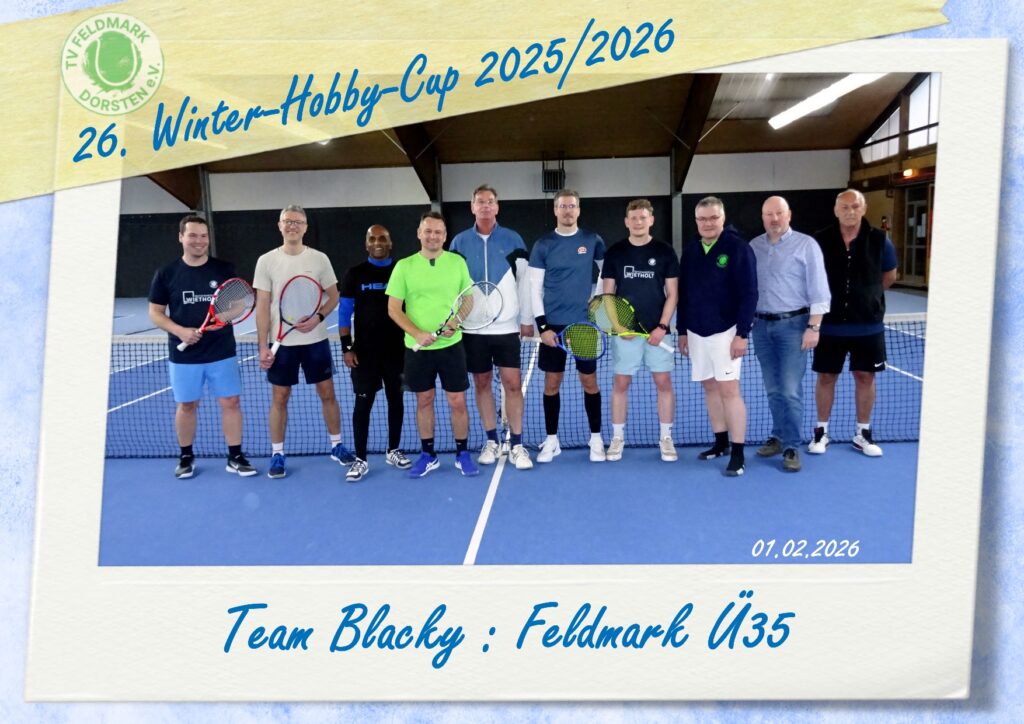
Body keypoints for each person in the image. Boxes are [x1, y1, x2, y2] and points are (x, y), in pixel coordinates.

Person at [147, 214, 256, 479]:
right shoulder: (166, 273)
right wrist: (180, 331)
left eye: (204, 236)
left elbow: (239, 303)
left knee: (231, 402)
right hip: (184, 356)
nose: (199, 241)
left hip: (221, 351)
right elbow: (155, 313)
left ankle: (235, 456)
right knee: (187, 405)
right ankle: (186, 456)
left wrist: (221, 320)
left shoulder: (224, 269)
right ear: (181, 237)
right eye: (193, 235)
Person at [254, 204, 355, 479]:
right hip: (282, 344)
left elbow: (334, 295)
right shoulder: (266, 261)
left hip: (316, 341)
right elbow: (262, 305)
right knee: (280, 397)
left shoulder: (319, 259)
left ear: (305, 227)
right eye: (287, 221)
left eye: (297, 222)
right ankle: (277, 453)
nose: (292, 226)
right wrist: (262, 346)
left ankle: (337, 445)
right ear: (279, 225)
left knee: (328, 393)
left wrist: (318, 317)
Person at [386, 211, 478, 478]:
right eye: (428, 231)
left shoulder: (457, 263)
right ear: (419, 233)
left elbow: (468, 299)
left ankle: (462, 453)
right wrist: (417, 333)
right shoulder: (404, 266)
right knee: (424, 400)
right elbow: (393, 309)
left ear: (445, 236)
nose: (433, 236)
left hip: (452, 347)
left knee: (457, 401)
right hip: (418, 350)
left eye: (438, 232)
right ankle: (428, 455)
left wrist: (456, 321)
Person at [449, 184, 534, 471]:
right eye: (480, 201)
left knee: (513, 384)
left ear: (497, 207)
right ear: (472, 207)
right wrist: (456, 319)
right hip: (473, 330)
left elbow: (524, 282)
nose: (485, 205)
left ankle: (518, 445)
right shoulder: (459, 242)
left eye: (490, 201)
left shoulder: (513, 239)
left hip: (506, 328)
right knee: (482, 384)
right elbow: (454, 287)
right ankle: (491, 441)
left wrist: (526, 319)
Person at [809, 189, 898, 457]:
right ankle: (821, 432)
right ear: (836, 211)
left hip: (867, 326)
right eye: (845, 207)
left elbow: (889, 276)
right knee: (826, 377)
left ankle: (863, 433)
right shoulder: (820, 240)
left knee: (865, 376)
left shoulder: (879, 239)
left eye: (855, 206)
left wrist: (866, 298)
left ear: (864, 209)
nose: (850, 211)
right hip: (830, 325)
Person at [677, 196, 757, 476]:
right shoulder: (691, 251)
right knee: (710, 387)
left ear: (723, 218)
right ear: (696, 221)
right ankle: (721, 442)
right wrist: (682, 331)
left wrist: (742, 333)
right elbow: (684, 295)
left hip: (727, 332)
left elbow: (750, 294)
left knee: (729, 390)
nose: (708, 223)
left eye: (713, 218)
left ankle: (738, 452)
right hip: (696, 332)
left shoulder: (738, 248)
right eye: (702, 219)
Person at [750, 196, 830, 473]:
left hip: (793, 327)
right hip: (761, 327)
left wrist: (814, 326)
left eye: (779, 213)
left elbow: (820, 290)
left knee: (790, 390)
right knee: (773, 389)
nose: (774, 219)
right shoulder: (754, 246)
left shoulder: (806, 245)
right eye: (768, 214)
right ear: (763, 217)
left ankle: (792, 445)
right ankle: (778, 435)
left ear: (789, 215)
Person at [528, 188, 607, 463]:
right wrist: (543, 327)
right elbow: (534, 288)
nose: (567, 211)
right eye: (562, 206)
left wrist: (597, 298)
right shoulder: (543, 244)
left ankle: (596, 439)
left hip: (583, 324)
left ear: (579, 209)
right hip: (553, 326)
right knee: (552, 383)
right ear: (555, 210)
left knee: (589, 381)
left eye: (572, 206)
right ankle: (552, 441)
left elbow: (606, 270)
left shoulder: (592, 240)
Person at [600, 198, 679, 463]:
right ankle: (617, 438)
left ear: (651, 220)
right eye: (633, 218)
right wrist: (620, 327)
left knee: (663, 383)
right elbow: (608, 294)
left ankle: (666, 438)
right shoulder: (615, 252)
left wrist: (662, 326)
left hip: (658, 333)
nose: (638, 222)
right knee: (621, 384)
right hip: (626, 335)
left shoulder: (665, 251)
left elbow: (673, 293)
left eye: (643, 217)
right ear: (626, 222)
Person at [337, 224, 412, 482]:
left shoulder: (402, 271)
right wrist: (346, 347)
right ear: (366, 244)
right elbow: (344, 312)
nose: (377, 243)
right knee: (363, 404)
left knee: (396, 400)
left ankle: (393, 450)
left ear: (390, 243)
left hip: (397, 352)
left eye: (382, 239)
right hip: (365, 353)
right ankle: (360, 459)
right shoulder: (355, 274)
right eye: (372, 239)